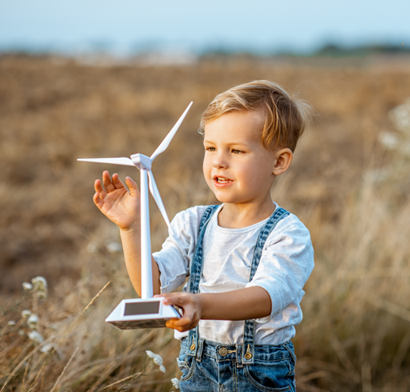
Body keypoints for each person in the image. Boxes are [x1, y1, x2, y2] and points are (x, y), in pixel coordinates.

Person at [91, 80, 314, 391]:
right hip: (197, 365)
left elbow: (266, 296)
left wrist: (201, 304)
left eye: (236, 150)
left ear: (279, 161)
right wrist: (130, 229)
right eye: (211, 148)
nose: (219, 161)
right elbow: (151, 287)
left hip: (259, 372)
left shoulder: (288, 234)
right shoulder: (192, 223)